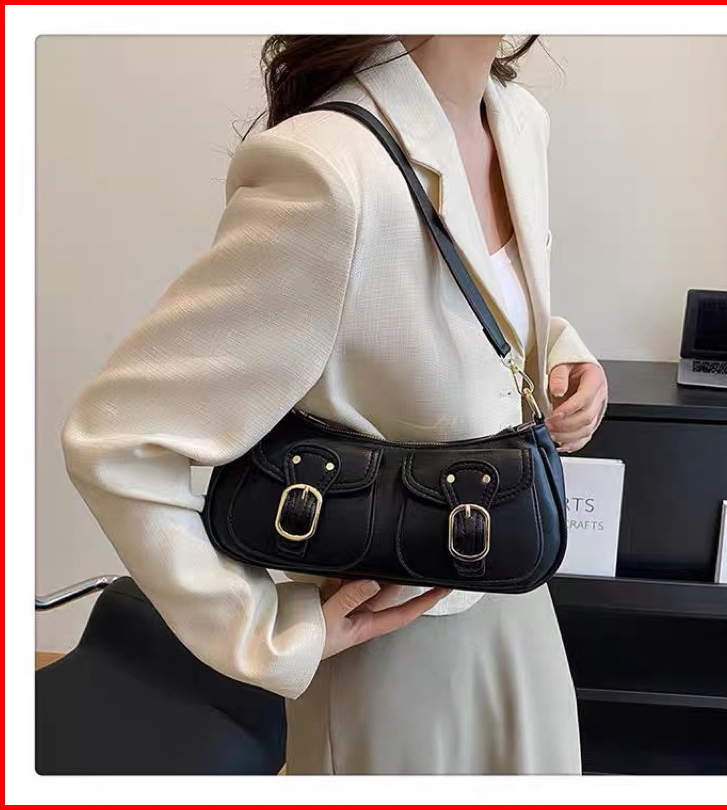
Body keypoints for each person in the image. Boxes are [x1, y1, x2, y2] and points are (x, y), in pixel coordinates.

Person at [60, 35, 609, 774]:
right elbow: (117, 438)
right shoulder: (331, 170)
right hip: (396, 644)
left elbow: (474, 307)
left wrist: (563, 355)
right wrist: (265, 631)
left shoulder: (516, 119)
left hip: (518, 591)